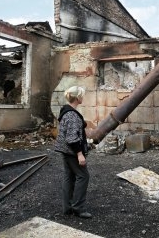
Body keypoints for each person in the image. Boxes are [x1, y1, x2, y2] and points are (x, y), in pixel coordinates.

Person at [54, 86, 92, 218]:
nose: (83, 97)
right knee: (83, 176)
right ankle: (78, 208)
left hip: (65, 151)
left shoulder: (67, 111)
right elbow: (71, 138)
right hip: (71, 152)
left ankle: (67, 207)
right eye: (81, 95)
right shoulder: (72, 115)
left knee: (69, 177)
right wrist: (80, 154)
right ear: (77, 97)